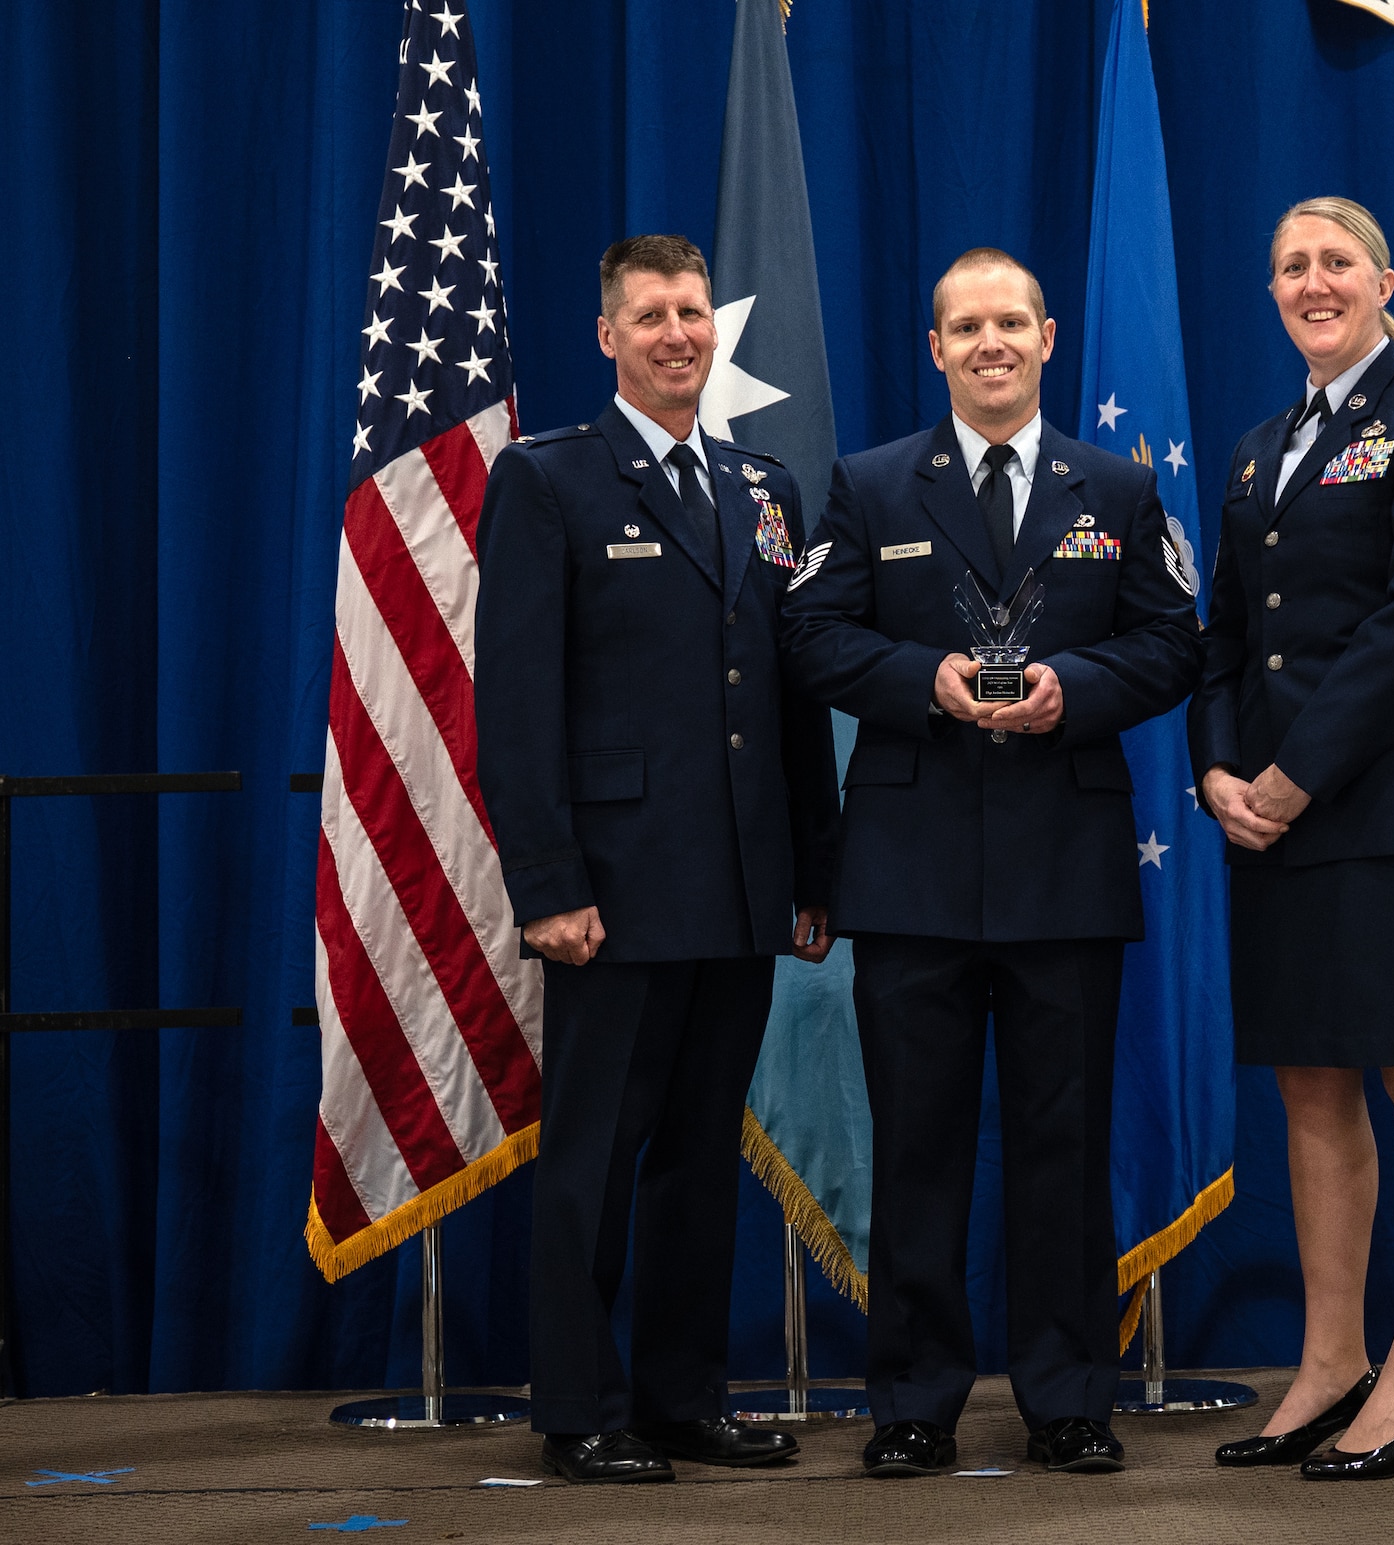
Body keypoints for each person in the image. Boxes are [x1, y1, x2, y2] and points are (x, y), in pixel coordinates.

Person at [782, 248, 1201, 1478]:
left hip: (1063, 868)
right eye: (965, 327)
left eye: (1009, 322)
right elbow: (808, 634)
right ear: (935, 349)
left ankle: (1068, 1398)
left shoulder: (1117, 490)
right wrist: (926, 683)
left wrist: (1074, 687)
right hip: (908, 872)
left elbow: (1172, 645)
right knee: (914, 1146)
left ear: (1048, 336)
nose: (990, 344)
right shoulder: (866, 487)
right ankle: (913, 1401)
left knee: (1062, 1153)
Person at [473, 234, 840, 1484]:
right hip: (614, 892)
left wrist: (812, 871)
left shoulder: (763, 486)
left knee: (698, 1156)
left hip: (740, 881)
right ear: (608, 335)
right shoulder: (549, 482)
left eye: (692, 311)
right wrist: (548, 885)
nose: (679, 332)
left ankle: (682, 1399)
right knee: (593, 1155)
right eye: (651, 315)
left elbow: (789, 698)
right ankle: (578, 1409)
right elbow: (515, 705)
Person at [1188, 197, 1394, 1481]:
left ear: (1379, 280)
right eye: (1287, 268)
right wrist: (1217, 764)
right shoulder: (1262, 447)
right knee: (1310, 1083)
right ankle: (1329, 1365)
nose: (1311, 282)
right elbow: (1222, 631)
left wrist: (1294, 774)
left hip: (1382, 807)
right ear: (1270, 295)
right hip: (1268, 810)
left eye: (1332, 262)